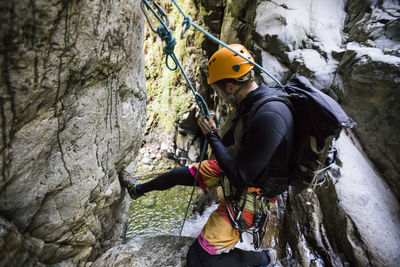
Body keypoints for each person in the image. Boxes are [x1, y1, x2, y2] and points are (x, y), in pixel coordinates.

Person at [119, 44, 294, 267]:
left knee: (199, 260)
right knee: (178, 174)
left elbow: (240, 176)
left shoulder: (269, 116)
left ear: (230, 87)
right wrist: (216, 133)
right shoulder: (249, 103)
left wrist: (211, 135)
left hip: (251, 194)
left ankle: (263, 258)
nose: (217, 94)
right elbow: (230, 146)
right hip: (241, 169)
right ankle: (138, 190)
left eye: (217, 90)